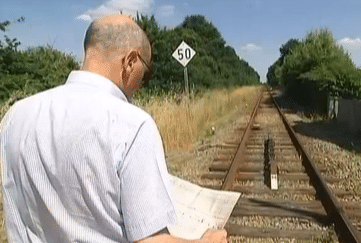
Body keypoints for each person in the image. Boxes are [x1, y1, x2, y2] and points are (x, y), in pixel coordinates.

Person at [0, 14, 227, 243]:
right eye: (145, 72)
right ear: (130, 61)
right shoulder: (133, 124)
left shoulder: (14, 116)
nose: (141, 83)